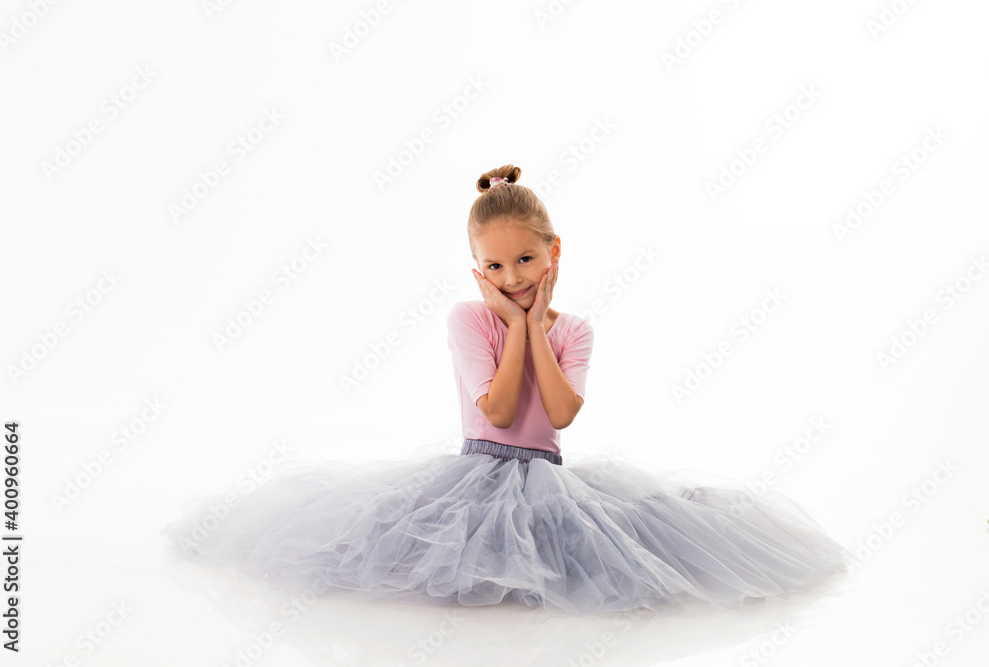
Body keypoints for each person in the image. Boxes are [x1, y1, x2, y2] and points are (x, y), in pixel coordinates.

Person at [160, 164, 853, 615]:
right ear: (477, 269)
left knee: (586, 563)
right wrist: (517, 325)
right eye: (496, 264)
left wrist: (535, 325)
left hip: (549, 477)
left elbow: (558, 413)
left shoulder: (575, 329)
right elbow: (494, 408)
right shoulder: (468, 319)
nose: (514, 275)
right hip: (473, 472)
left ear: (555, 253)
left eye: (526, 258)